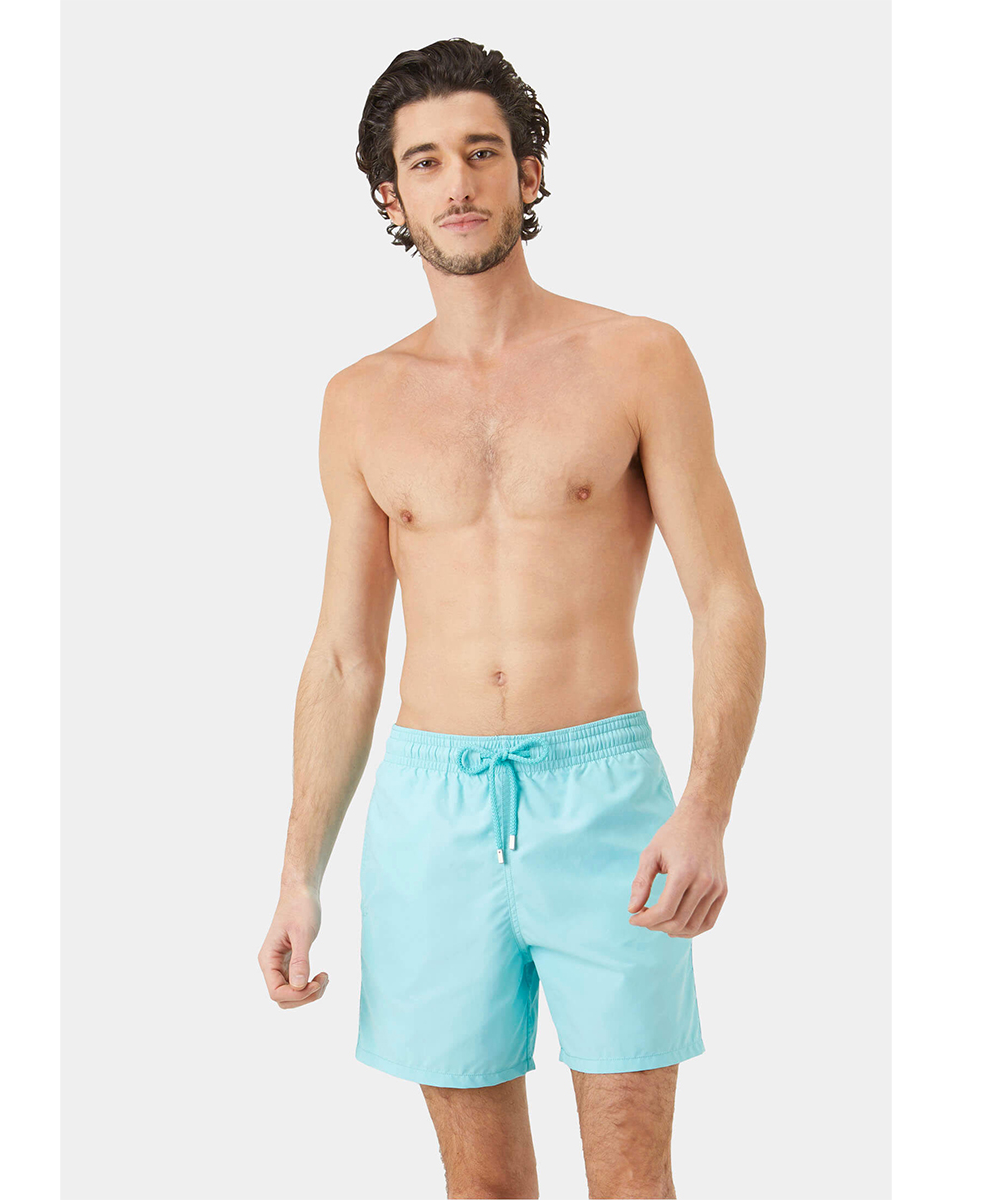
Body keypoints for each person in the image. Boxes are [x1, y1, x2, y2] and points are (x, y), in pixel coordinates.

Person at [258, 38, 765, 1200]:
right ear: (391, 197)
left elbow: (725, 597)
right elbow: (343, 657)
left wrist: (705, 809)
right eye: (426, 162)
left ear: (529, 172)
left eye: (482, 152)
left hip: (607, 798)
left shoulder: (638, 358)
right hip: (429, 811)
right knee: (481, 1190)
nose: (459, 182)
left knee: (632, 1182)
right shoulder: (360, 400)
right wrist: (298, 875)